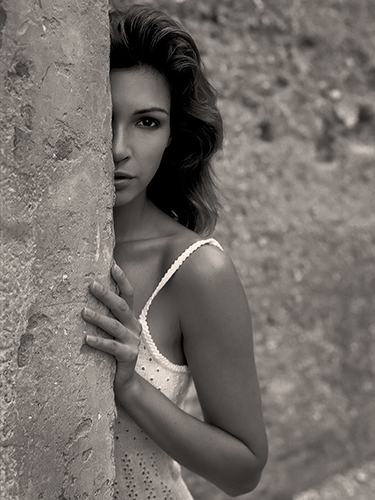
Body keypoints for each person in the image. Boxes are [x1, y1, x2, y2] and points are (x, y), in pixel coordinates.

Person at [81, 5, 268, 499]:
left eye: (146, 121)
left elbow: (243, 470)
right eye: (101, 116)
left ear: (172, 134)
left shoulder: (195, 270)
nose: (118, 147)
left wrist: (131, 387)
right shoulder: (25, 254)